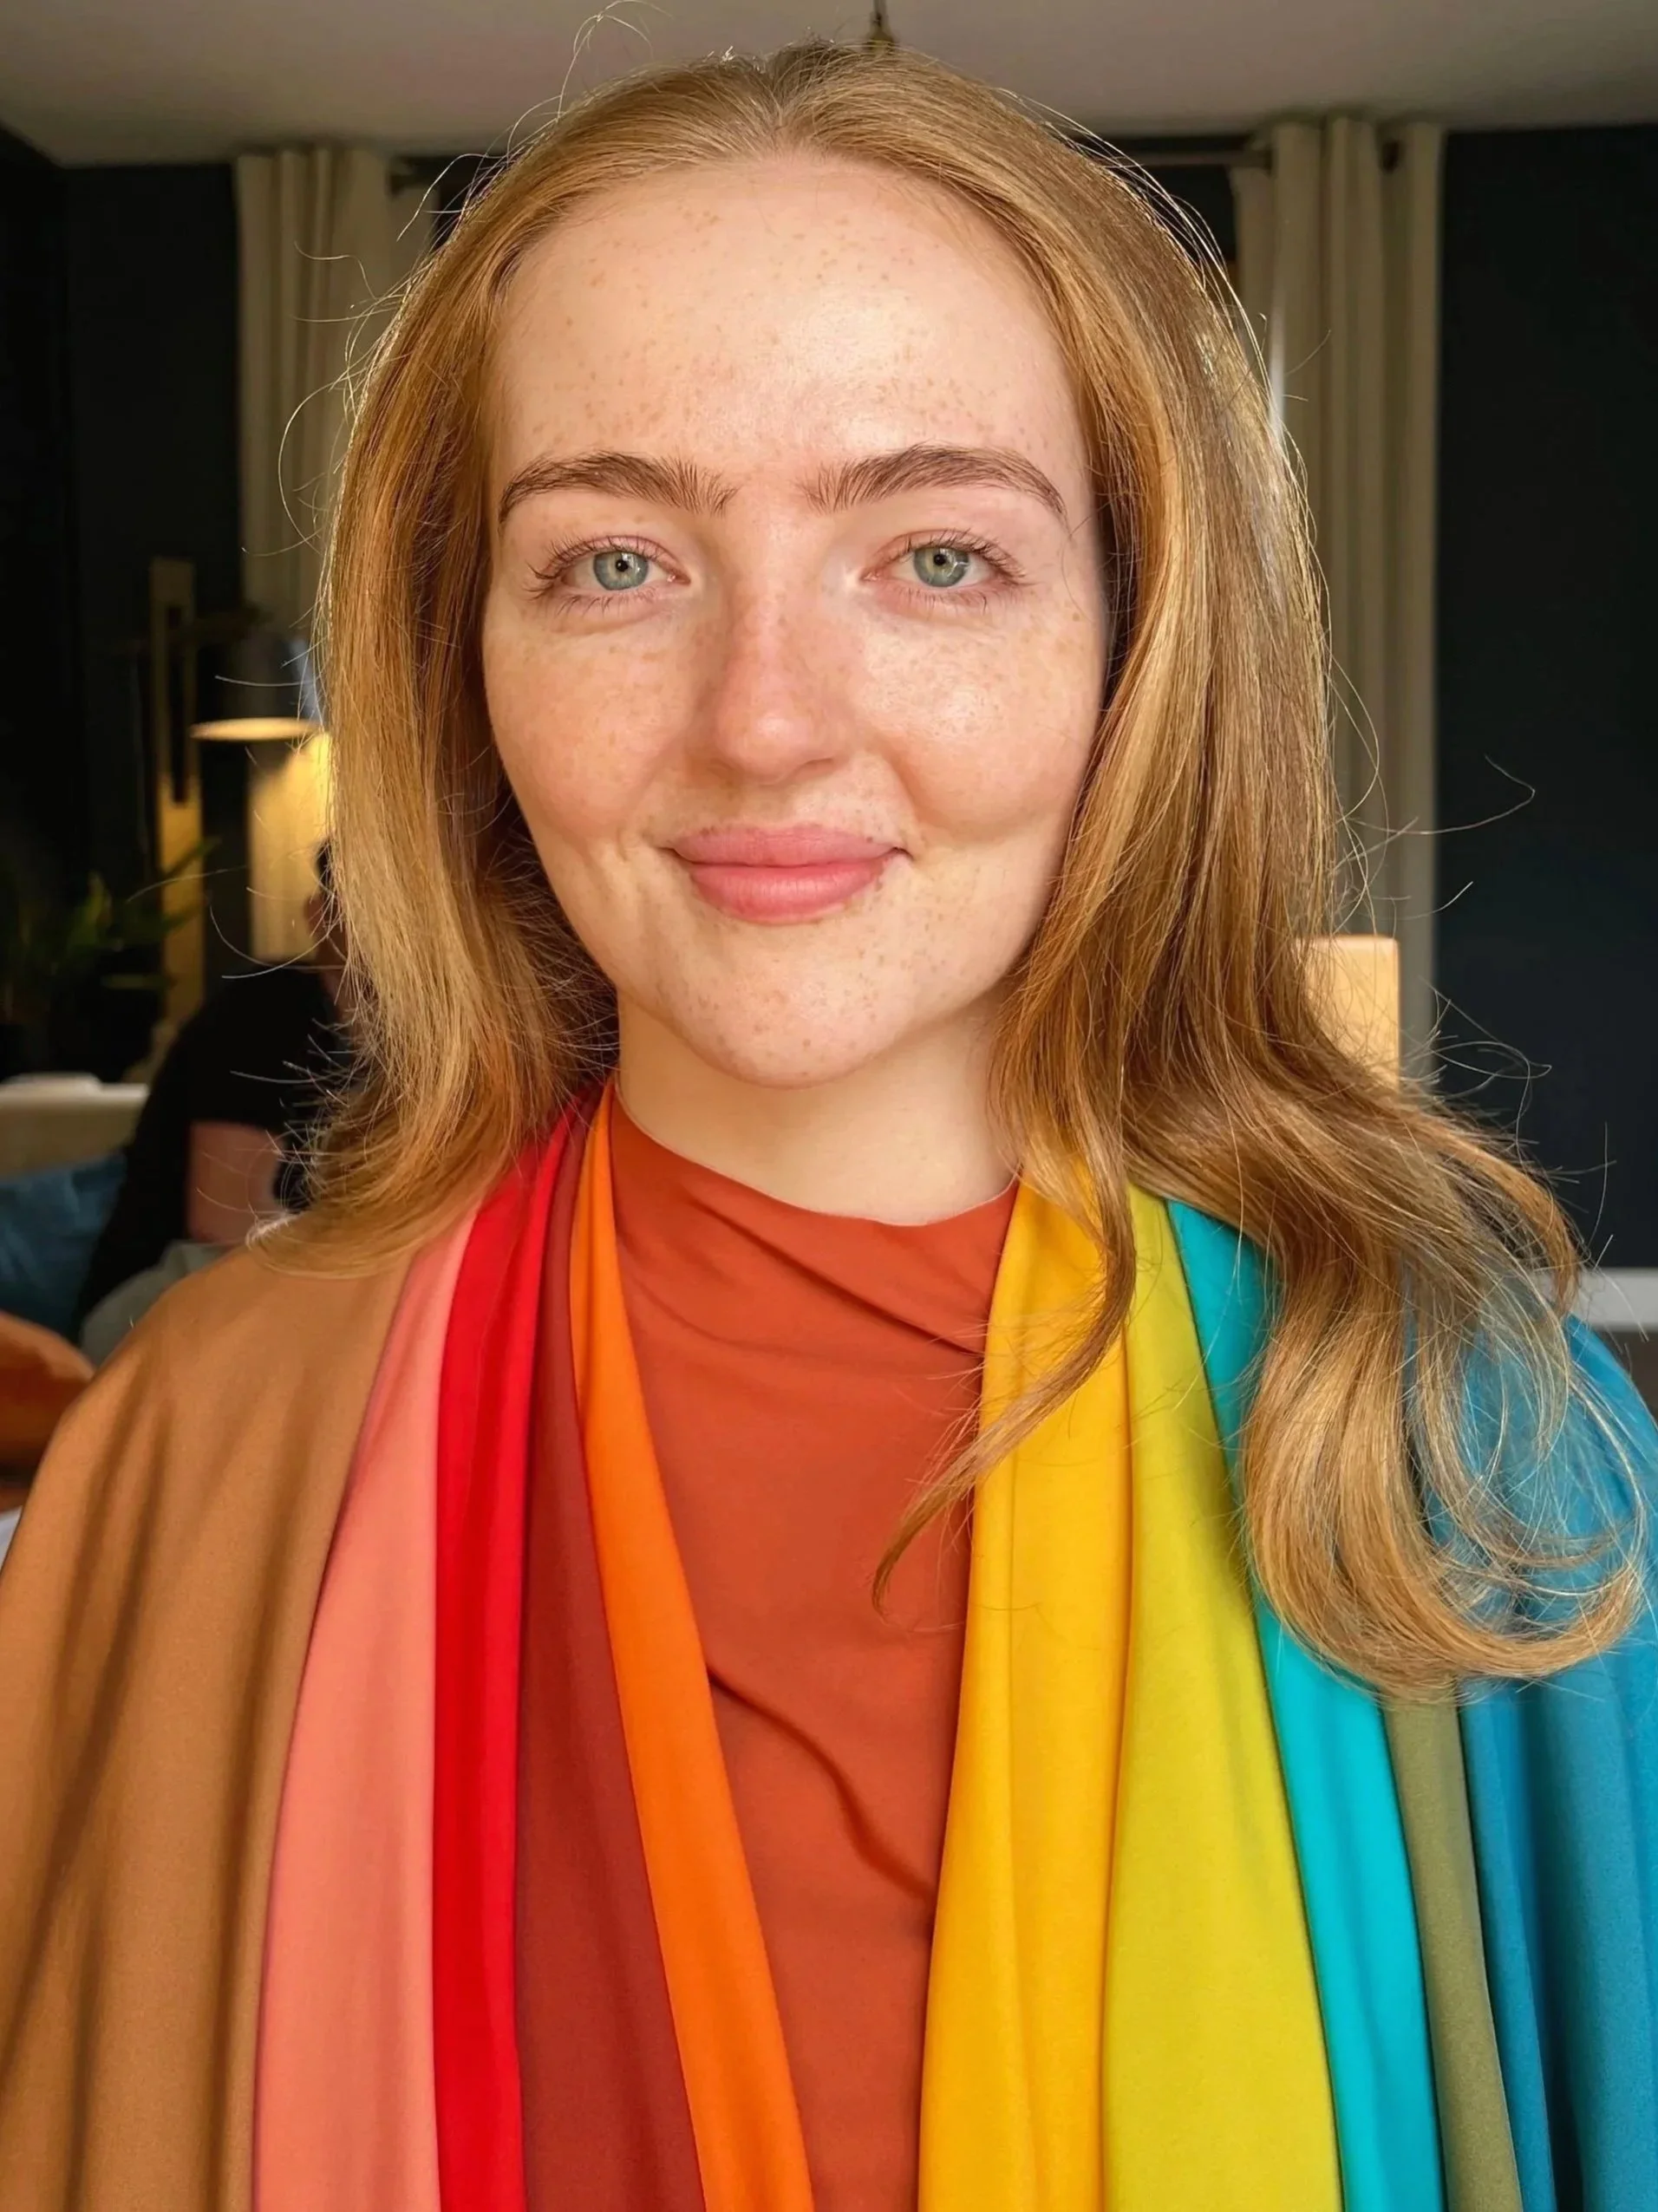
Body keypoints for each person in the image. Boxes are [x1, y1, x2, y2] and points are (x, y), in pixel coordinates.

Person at [1, 41, 1654, 2212]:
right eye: (613, 563)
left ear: (1134, 646)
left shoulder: (1469, 1456)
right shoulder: (199, 1451)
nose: (764, 722)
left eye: (937, 556)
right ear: (460, 661)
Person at [72, 848, 348, 1357]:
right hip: (161, 1300)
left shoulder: (416, 1045)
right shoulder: (268, 1006)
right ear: (319, 914)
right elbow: (224, 1220)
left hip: (287, 1292)